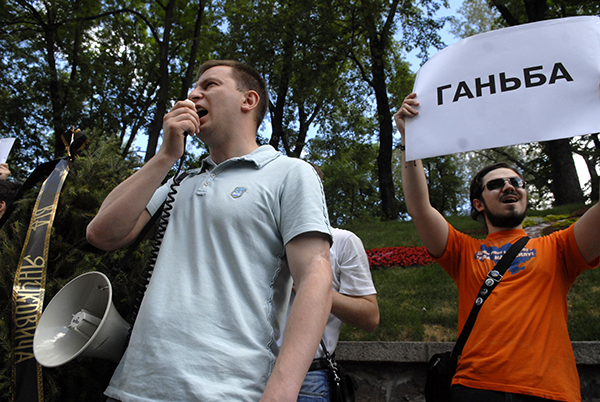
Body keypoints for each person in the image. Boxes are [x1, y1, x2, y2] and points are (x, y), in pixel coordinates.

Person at [86, 60, 333, 402]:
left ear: (248, 100)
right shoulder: (179, 179)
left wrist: (282, 392)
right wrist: (165, 157)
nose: (193, 94)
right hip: (134, 387)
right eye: (194, 87)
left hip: (229, 391)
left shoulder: (290, 173)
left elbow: (316, 279)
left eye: (209, 85)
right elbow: (102, 234)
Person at [395, 92, 600, 402]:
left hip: (551, 391)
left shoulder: (561, 248)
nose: (509, 186)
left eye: (517, 182)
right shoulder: (463, 252)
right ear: (479, 203)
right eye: (496, 184)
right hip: (475, 389)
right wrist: (410, 140)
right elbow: (421, 209)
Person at [282, 165, 380, 401]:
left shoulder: (343, 242)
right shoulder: (256, 243)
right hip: (246, 371)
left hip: (308, 378)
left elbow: (370, 317)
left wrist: (312, 287)